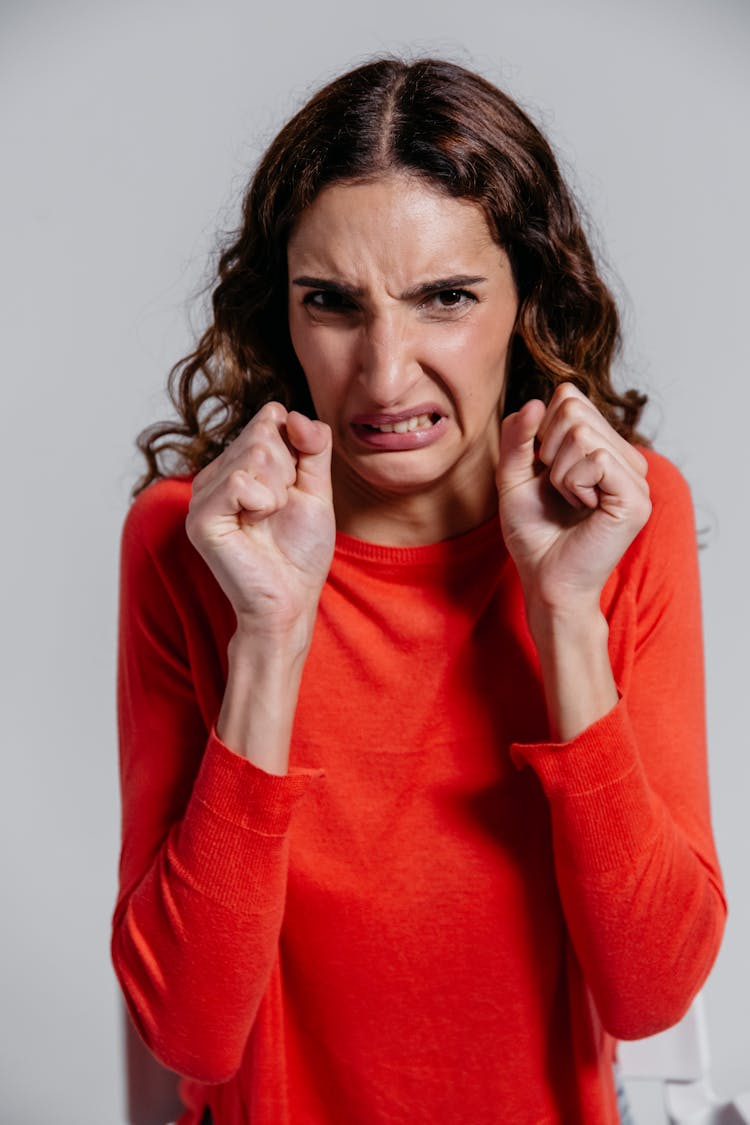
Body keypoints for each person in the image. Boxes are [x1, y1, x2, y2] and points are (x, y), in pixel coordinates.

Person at [112, 57, 726, 1125]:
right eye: (333, 304)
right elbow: (191, 1031)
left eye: (445, 298)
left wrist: (565, 615)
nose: (386, 375)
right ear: (283, 317)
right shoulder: (192, 538)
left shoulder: (628, 515)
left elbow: (650, 989)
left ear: (526, 297)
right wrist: (270, 630)